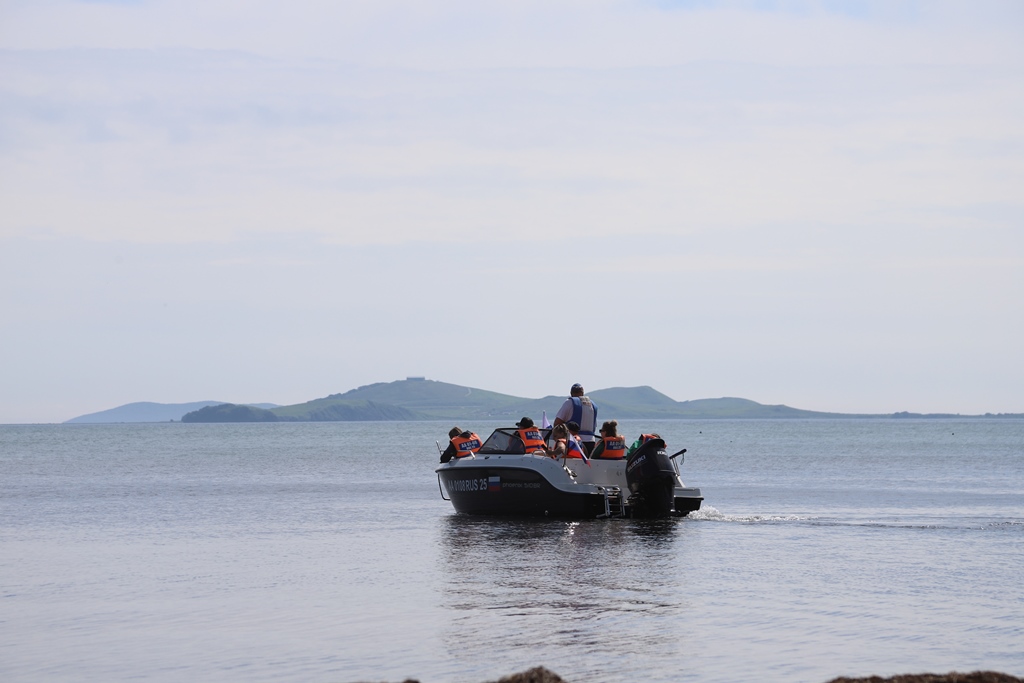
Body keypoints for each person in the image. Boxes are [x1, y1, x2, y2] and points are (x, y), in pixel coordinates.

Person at [553, 383, 598, 455]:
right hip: (591, 442)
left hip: (574, 443)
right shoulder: (593, 405)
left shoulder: (569, 402)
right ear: (582, 393)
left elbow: (557, 422)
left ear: (571, 393)